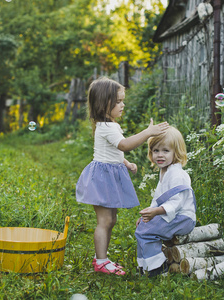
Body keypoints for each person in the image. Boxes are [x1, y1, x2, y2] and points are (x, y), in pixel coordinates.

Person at [76, 77, 169, 276]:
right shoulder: (107, 126)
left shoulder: (111, 125)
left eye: (122, 100)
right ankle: (100, 261)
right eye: (118, 101)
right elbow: (124, 145)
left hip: (107, 177)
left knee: (111, 220)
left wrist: (126, 163)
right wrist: (148, 132)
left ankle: (102, 258)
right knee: (105, 221)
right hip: (101, 179)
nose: (122, 104)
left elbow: (112, 152)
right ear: (104, 104)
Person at [135, 126, 196, 277]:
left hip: (183, 217)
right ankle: (145, 265)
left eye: (165, 151)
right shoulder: (164, 171)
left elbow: (177, 203)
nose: (159, 155)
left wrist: (156, 212)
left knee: (147, 232)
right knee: (142, 227)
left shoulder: (176, 174)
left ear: (176, 152)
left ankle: (158, 268)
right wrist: (148, 214)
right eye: (156, 150)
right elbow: (158, 199)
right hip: (171, 214)